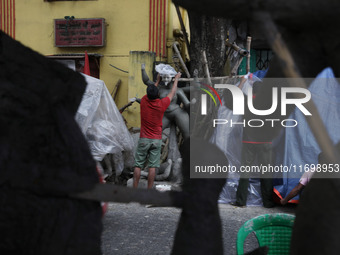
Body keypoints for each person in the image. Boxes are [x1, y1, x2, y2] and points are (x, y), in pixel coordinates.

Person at [226, 74, 275, 208]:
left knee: (245, 172)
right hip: (265, 142)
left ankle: (241, 201)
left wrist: (242, 82)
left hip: (249, 142)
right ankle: (268, 202)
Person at [133, 71, 182, 189]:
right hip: (156, 140)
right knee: (152, 167)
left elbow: (151, 91)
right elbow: (172, 92)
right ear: (158, 94)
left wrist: (157, 81)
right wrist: (176, 79)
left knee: (138, 165)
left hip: (144, 139)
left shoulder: (144, 101)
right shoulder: (162, 104)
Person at [141, 64, 191, 139]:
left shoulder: (178, 90)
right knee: (154, 133)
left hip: (177, 112)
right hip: (164, 114)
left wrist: (192, 104)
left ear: (172, 77)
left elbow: (187, 104)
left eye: (168, 77)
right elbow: (147, 81)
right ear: (161, 77)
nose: (166, 79)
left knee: (187, 135)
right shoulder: (160, 89)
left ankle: (188, 148)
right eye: (164, 77)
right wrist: (143, 70)